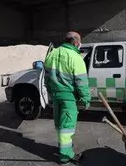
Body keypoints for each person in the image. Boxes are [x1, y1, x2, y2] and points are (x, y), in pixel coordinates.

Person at [44, 31, 91, 165]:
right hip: (69, 98)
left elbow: (46, 79)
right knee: (67, 127)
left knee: (59, 125)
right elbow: (82, 83)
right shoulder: (76, 58)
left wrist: (50, 92)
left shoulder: (52, 54)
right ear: (75, 42)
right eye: (79, 41)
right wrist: (85, 99)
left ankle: (63, 147)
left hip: (56, 96)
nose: (80, 44)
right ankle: (65, 156)